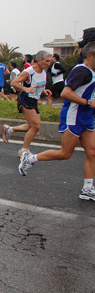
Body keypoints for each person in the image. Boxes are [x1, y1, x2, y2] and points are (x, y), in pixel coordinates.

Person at [18, 42, 95, 201]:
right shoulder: (82, 71)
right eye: (46, 60)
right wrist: (87, 102)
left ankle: (87, 189)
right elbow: (66, 93)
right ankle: (30, 158)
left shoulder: (91, 72)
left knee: (92, 152)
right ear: (90, 55)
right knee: (64, 154)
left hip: (87, 117)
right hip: (74, 116)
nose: (49, 63)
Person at [2, 51, 53, 156]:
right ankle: (24, 150)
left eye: (50, 61)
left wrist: (44, 91)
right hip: (25, 99)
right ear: (39, 61)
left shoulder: (44, 71)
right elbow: (13, 83)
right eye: (47, 61)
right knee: (35, 126)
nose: (49, 64)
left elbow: (37, 85)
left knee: (33, 126)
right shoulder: (29, 72)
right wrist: (25, 89)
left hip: (34, 101)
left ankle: (10, 129)